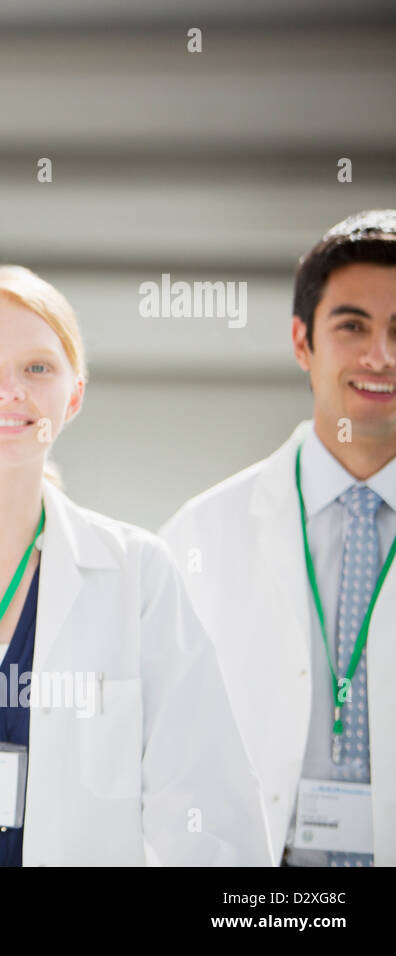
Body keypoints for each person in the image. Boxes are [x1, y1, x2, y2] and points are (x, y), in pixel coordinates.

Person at [0, 265, 272, 865]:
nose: (8, 389)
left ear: (74, 395)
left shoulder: (138, 577)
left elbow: (205, 815)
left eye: (38, 367)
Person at [161, 210, 396, 866]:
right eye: (352, 326)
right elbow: (157, 752)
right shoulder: (201, 535)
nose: (380, 356)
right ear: (302, 342)